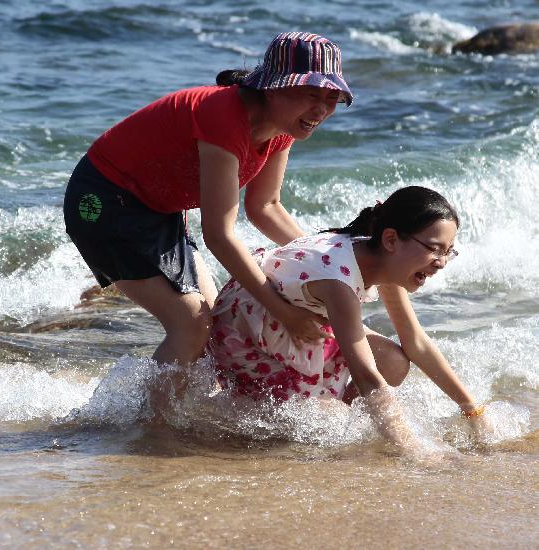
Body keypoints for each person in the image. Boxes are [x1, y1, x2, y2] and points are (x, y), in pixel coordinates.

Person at [63, 32, 350, 404]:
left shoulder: (282, 128)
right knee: (191, 323)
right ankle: (152, 429)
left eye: (331, 99)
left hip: (158, 209)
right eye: (312, 95)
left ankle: (197, 410)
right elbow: (219, 235)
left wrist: (325, 266)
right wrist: (282, 310)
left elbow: (265, 207)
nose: (321, 110)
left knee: (219, 322)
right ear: (272, 88)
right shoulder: (224, 118)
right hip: (102, 200)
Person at [208, 186, 490, 451]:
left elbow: (415, 341)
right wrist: (416, 451)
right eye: (433, 248)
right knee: (325, 424)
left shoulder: (385, 262)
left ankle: (338, 406)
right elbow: (366, 376)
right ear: (391, 239)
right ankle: (242, 404)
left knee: (392, 362)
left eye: (447, 251)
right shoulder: (340, 281)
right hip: (248, 331)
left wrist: (471, 409)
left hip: (301, 324)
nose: (440, 262)